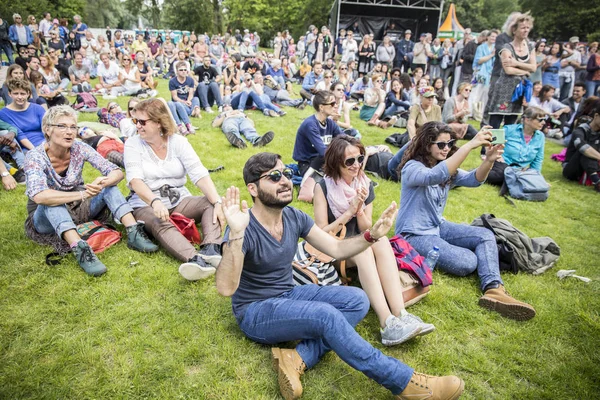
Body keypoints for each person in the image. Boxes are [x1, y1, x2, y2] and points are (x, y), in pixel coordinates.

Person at [215, 152, 464, 400]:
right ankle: (403, 381)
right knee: (325, 316)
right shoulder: (243, 227)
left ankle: (298, 357)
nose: (285, 181)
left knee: (357, 300)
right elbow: (226, 288)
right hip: (255, 311)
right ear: (253, 189)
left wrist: (372, 236)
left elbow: (336, 248)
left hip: (287, 293)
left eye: (288, 174)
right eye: (275, 177)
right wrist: (236, 233)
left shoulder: (293, 217)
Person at [395, 121, 536, 321]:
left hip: (438, 226)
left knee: (486, 235)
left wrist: (489, 160)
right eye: (441, 145)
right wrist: (470, 145)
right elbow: (436, 175)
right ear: (427, 145)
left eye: (450, 144)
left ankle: (494, 289)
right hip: (414, 235)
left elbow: (474, 179)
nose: (447, 149)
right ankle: (485, 263)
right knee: (467, 262)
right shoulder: (412, 167)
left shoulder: (445, 166)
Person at [314, 135, 434, 345]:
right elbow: (321, 234)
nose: (356, 165)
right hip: (334, 249)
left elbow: (366, 229)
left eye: (360, 158)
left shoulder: (364, 183)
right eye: (349, 161)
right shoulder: (323, 187)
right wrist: (348, 212)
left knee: (380, 240)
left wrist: (360, 209)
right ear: (335, 162)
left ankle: (401, 314)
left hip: (359, 243)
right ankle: (386, 323)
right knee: (363, 249)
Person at [23, 105, 157, 276]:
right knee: (53, 202)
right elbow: (40, 196)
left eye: (73, 127)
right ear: (47, 130)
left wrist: (103, 182)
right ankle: (81, 250)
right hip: (45, 217)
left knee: (109, 187)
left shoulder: (79, 147)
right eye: (62, 126)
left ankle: (133, 232)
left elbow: (116, 172)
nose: (69, 132)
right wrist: (83, 194)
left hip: (78, 206)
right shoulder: (35, 157)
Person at [124, 98, 225, 280]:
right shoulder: (132, 144)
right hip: (145, 203)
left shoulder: (178, 142)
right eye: (135, 121)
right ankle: (194, 260)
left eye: (142, 121)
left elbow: (198, 173)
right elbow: (135, 181)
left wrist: (217, 201)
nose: (137, 126)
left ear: (158, 122)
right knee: (159, 221)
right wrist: (154, 202)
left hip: (177, 198)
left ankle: (211, 248)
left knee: (210, 203)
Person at [487, 13, 536, 129]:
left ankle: (506, 147)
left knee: (511, 125)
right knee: (495, 123)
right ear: (514, 30)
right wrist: (525, 70)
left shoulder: (530, 47)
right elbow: (508, 70)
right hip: (504, 89)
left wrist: (516, 63)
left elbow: (533, 67)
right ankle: (487, 147)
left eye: (528, 28)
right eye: (523, 28)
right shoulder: (506, 48)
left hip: (519, 90)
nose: (526, 30)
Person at [485, 106, 547, 185]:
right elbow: (489, 141)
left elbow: (538, 160)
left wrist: (535, 177)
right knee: (501, 175)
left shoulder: (540, 136)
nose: (543, 123)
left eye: (544, 120)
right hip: (502, 164)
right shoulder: (509, 130)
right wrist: (497, 155)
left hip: (520, 170)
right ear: (527, 120)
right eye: (540, 120)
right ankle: (476, 174)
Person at [293, 90, 345, 177]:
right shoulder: (310, 125)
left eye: (335, 103)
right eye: (332, 104)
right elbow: (323, 152)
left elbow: (344, 139)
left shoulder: (330, 123)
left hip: (323, 161)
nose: (335, 106)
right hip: (308, 164)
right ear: (321, 107)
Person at [562, 98, 600, 192]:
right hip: (572, 169)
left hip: (593, 166)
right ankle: (597, 182)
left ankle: (596, 180)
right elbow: (582, 147)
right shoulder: (580, 130)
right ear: (596, 116)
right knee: (586, 151)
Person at [0, 79, 46, 151]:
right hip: (26, 145)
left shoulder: (37, 108)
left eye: (22, 94)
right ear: (9, 94)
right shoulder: (4, 113)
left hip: (44, 140)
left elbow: (46, 128)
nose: (19, 97)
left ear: (28, 94)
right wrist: (36, 151)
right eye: (16, 93)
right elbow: (20, 134)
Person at [168, 61, 199, 135]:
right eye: (181, 70)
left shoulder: (190, 80)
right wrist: (183, 102)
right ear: (177, 71)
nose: (183, 72)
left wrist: (188, 100)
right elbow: (174, 97)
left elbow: (191, 93)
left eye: (185, 70)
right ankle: (184, 125)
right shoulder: (172, 81)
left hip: (187, 104)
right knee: (172, 103)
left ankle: (183, 124)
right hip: (178, 104)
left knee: (196, 98)